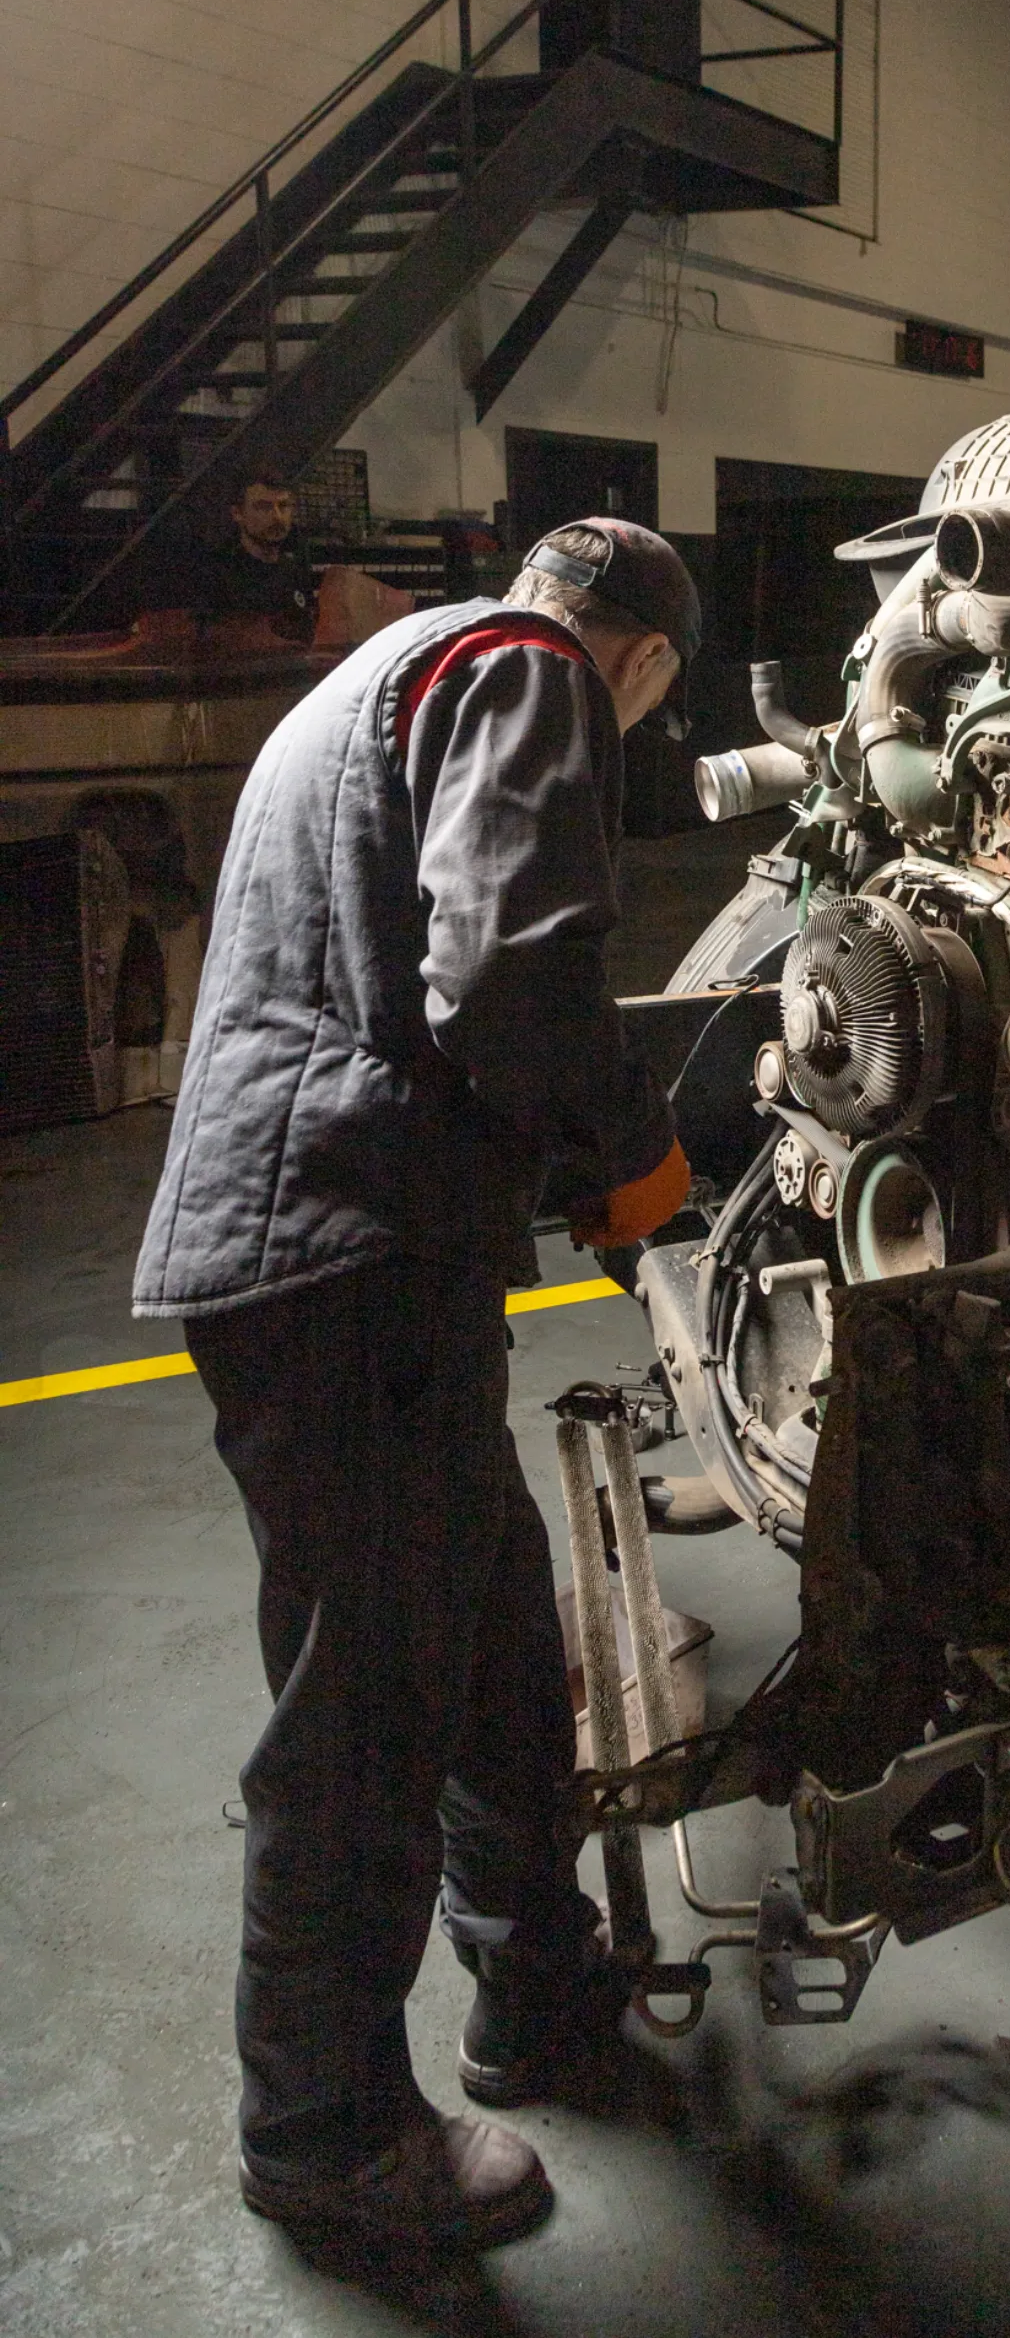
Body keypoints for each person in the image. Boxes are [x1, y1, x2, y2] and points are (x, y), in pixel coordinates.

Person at [133, 517, 702, 2252]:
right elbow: (512, 978)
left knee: (495, 1642)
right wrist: (634, 1155)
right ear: (642, 660)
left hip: (332, 1246)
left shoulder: (370, 681)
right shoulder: (527, 672)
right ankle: (320, 2133)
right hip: (346, 1247)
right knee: (366, 1703)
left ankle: (533, 1982)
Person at [205, 471, 319, 637]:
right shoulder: (219, 576)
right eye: (263, 507)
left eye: (283, 506)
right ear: (237, 513)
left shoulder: (294, 570)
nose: (277, 517)